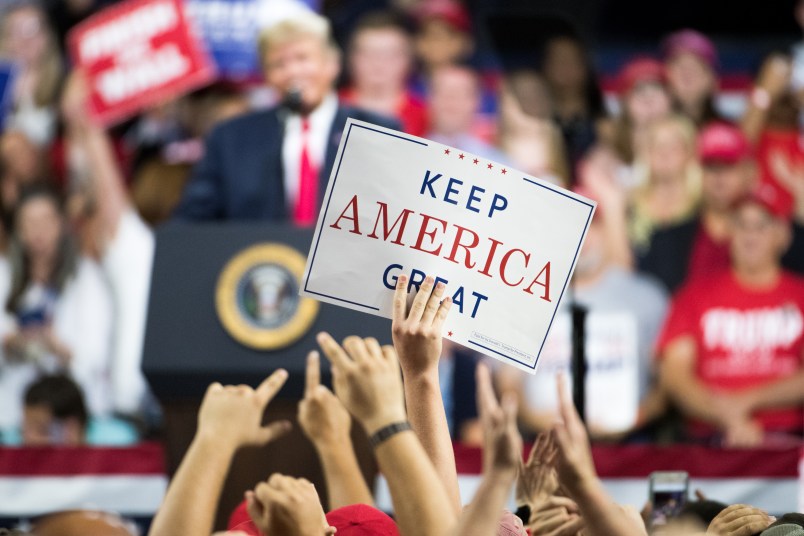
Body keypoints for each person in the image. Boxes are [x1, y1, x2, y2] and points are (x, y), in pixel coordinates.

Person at [173, 9, 399, 223]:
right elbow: (194, 221)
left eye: (302, 59)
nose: (292, 72)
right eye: (278, 64)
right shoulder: (230, 138)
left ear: (332, 64)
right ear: (267, 76)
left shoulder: (377, 131)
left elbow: (396, 213)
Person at [496, 195, 668, 439]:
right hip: (542, 445)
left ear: (609, 229)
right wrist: (534, 417)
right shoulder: (522, 298)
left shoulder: (647, 298)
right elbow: (507, 378)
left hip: (630, 448)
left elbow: (666, 381)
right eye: (572, 227)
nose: (583, 237)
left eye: (593, 225)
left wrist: (639, 415)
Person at [657, 186, 804, 447]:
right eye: (742, 225)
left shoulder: (799, 295)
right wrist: (727, 417)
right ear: (729, 232)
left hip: (788, 442)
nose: (750, 236)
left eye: (762, 225)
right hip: (708, 441)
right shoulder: (693, 295)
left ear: (783, 235)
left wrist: (749, 400)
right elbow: (674, 375)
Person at [0, 185, 113, 430]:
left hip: (75, 411)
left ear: (62, 225)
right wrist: (11, 342)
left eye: (46, 220)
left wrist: (56, 345)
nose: (38, 231)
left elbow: (97, 356)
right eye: (29, 222)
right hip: (13, 414)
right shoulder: (4, 275)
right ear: (18, 230)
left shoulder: (86, 277)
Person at [638, 122, 759, 292]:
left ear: (750, 172)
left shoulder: (777, 238)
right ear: (696, 171)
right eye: (710, 166)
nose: (719, 177)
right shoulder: (666, 240)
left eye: (729, 165)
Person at [340, 11, 427, 137]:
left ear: (408, 60)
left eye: (389, 54)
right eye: (368, 53)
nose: (378, 63)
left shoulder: (428, 116)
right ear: (351, 58)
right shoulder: (329, 109)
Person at [628, 114, 702, 252]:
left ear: (689, 153)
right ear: (647, 153)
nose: (664, 153)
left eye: (673, 147)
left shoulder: (704, 206)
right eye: (657, 146)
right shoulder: (629, 204)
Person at [540, 33, 610, 177]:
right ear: (546, 66)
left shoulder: (605, 120)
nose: (566, 68)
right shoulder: (534, 120)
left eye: (572, 60)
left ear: (585, 66)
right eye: (559, 60)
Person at [0, 3, 63, 146]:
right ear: (5, 39)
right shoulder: (2, 84)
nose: (25, 40)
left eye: (32, 29)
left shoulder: (63, 81)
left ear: (47, 36)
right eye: (15, 31)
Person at [426, 64, 508, 164]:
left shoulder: (498, 165)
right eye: (442, 91)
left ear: (477, 101)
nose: (451, 98)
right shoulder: (411, 153)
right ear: (429, 98)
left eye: (461, 93)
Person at [612, 57, 673, 164]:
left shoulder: (690, 144)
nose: (649, 99)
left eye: (656, 89)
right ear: (625, 101)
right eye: (639, 90)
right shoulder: (609, 149)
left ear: (670, 98)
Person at [662, 29, 723, 127]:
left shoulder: (727, 132)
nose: (687, 73)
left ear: (713, 81)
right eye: (679, 66)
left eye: (696, 66)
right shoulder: (648, 133)